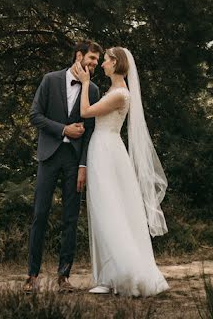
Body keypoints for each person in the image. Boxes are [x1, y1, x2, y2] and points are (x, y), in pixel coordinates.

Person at [71, 46, 169, 297]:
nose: (102, 64)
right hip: (105, 149)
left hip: (106, 150)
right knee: (104, 209)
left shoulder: (120, 94)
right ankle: (108, 276)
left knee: (108, 209)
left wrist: (84, 83)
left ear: (116, 63)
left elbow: (85, 113)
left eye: (105, 60)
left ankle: (124, 273)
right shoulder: (115, 91)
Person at [24, 40, 103, 293]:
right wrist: (63, 129)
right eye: (91, 58)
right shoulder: (50, 80)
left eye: (97, 61)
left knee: (71, 218)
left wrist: (83, 165)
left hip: (74, 160)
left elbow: (91, 131)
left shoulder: (94, 91)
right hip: (48, 156)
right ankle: (32, 276)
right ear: (78, 55)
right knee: (40, 215)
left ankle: (63, 277)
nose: (94, 64)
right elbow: (34, 115)